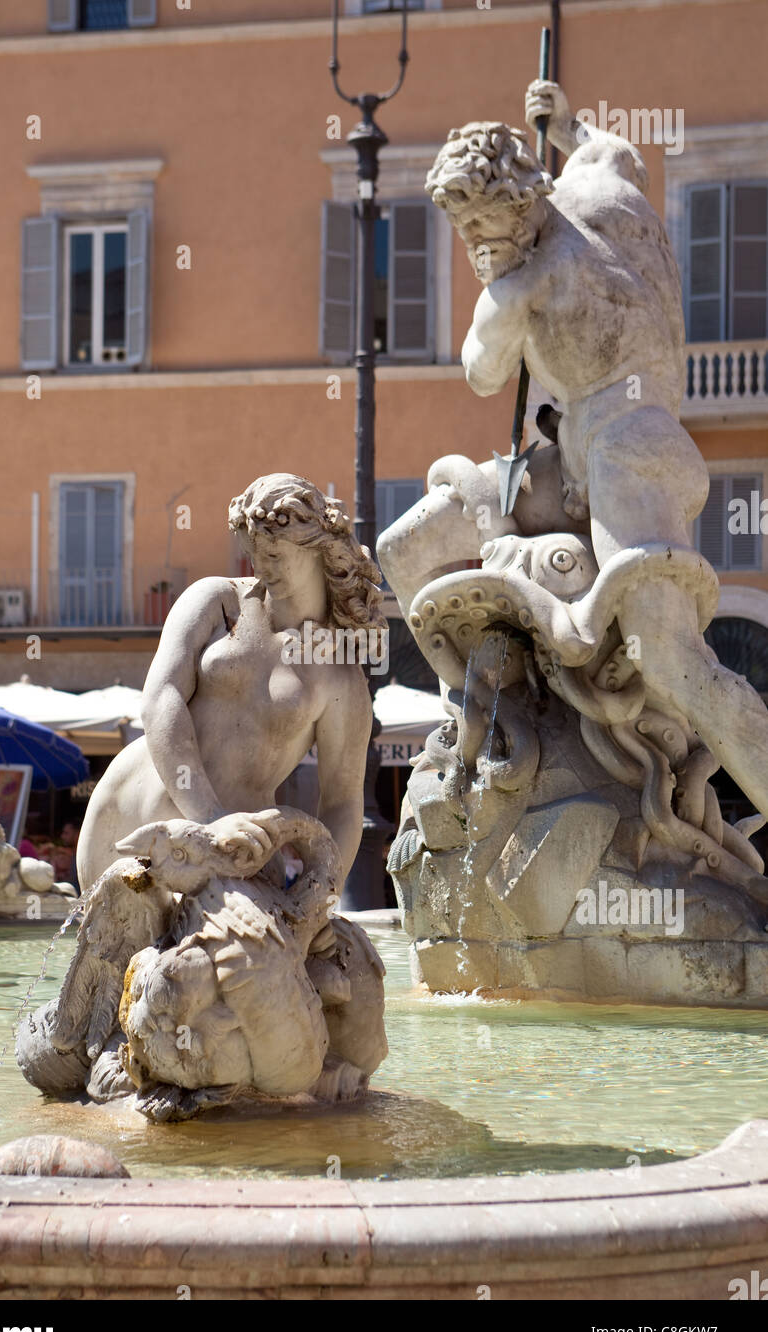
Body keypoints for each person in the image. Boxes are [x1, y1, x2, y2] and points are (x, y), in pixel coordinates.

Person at [423, 81, 768, 821]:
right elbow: (615, 149)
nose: (481, 246)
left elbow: (481, 373)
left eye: (490, 226)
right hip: (584, 452)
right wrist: (564, 120)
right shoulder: (600, 180)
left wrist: (501, 294)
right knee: (413, 543)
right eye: (467, 232)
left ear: (525, 204)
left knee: (670, 660)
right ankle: (471, 740)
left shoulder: (526, 285)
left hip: (627, 448)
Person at [76, 475, 384, 892]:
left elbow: (342, 803)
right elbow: (160, 699)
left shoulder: (339, 674)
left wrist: (319, 897)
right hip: (134, 808)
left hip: (244, 846)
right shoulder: (218, 601)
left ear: (317, 549)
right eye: (253, 552)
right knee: (110, 954)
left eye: (274, 552)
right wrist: (209, 820)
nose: (261, 567)